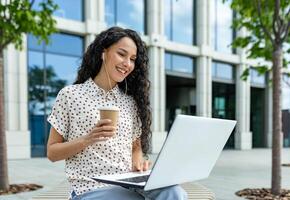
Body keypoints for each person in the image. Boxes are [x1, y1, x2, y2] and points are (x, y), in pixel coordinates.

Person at [47, 26, 187, 200]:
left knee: (174, 191)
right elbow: (52, 152)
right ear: (103, 52)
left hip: (128, 182)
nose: (127, 64)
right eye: (122, 54)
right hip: (90, 188)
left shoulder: (130, 102)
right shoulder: (70, 95)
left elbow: (136, 147)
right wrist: (87, 139)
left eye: (133, 59)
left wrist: (138, 162)